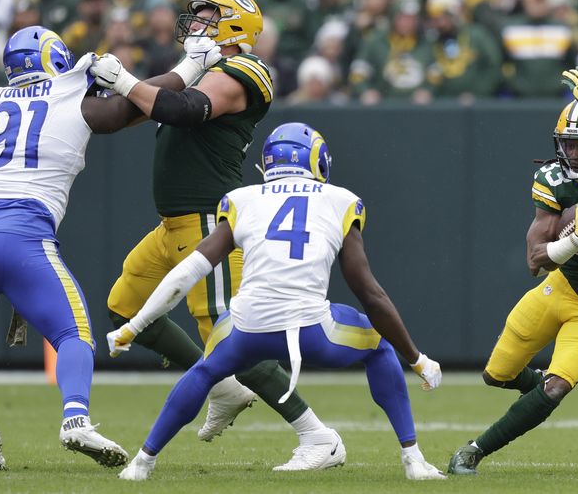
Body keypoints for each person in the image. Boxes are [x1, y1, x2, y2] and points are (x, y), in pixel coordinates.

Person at [90, 0, 346, 471]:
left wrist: (124, 79)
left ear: (234, 26)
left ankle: (318, 436)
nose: (197, 24)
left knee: (234, 338)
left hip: (210, 221)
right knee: (124, 308)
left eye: (209, 17)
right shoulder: (203, 69)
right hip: (172, 224)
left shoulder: (247, 71)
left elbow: (183, 110)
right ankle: (224, 386)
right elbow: (143, 108)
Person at [0, 23, 223, 470]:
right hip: (22, 233)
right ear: (54, 59)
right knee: (73, 333)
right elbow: (126, 110)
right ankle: (75, 418)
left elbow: (119, 109)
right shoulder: (68, 93)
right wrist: (192, 65)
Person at [105, 122, 447, 482]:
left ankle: (141, 463)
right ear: (319, 161)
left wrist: (134, 325)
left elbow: (187, 272)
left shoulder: (242, 199)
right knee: (378, 346)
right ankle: (413, 460)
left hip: (247, 330)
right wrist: (417, 358)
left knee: (205, 369)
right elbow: (369, 292)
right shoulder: (341, 201)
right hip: (313, 331)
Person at [448, 66, 578, 475]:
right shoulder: (553, 177)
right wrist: (574, 242)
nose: (574, 155)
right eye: (568, 145)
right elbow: (535, 260)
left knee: (558, 386)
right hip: (560, 288)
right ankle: (540, 391)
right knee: (497, 375)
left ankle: (473, 451)